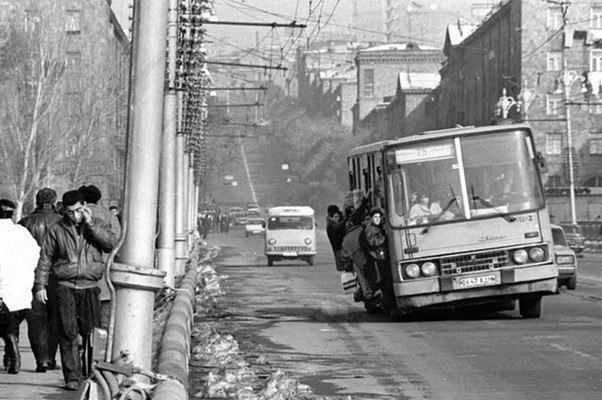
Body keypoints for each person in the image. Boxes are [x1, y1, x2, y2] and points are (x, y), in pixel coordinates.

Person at [34, 190, 118, 391]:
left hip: (90, 286)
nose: (75, 216)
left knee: (91, 332)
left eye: (79, 211)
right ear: (65, 210)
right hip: (65, 286)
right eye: (71, 212)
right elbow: (45, 257)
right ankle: (72, 376)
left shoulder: (96, 224)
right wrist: (40, 285)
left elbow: (111, 245)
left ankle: (90, 372)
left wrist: (91, 225)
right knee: (68, 332)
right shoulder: (57, 229)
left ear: (85, 207)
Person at [18, 188, 62, 372]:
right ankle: (50, 357)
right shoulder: (61, 222)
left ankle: (41, 359)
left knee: (36, 319)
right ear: (54, 201)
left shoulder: (25, 223)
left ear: (37, 200)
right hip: (57, 275)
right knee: (55, 318)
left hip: (31, 275)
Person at [0, 199, 41, 374]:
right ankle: (10, 355)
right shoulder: (22, 233)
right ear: (12, 214)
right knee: (13, 322)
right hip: (20, 289)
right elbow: (35, 255)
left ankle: (11, 347)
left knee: (4, 323)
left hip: (3, 289)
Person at [78, 185, 122, 331]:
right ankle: (99, 348)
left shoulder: (76, 215)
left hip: (81, 273)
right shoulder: (110, 216)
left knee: (82, 317)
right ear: (98, 199)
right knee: (104, 319)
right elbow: (118, 243)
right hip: (105, 274)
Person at [326, 206, 346, 271]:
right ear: (331, 217)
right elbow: (337, 227)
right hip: (338, 249)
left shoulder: (330, 223)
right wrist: (346, 219)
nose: (338, 218)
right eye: (336, 217)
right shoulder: (331, 225)